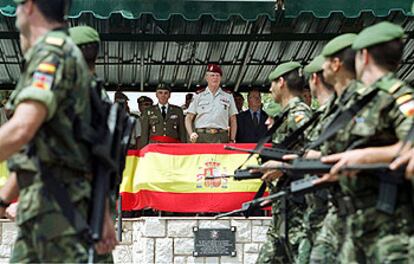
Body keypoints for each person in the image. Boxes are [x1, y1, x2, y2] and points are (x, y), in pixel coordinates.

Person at [0, 0, 116, 262]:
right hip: (49, 206)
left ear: (28, 6)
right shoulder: (65, 56)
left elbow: (22, 128)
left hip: (55, 210)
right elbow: (46, 146)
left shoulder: (52, 54)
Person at [314, 22, 414, 263]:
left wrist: (366, 157)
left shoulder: (398, 96)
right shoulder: (362, 101)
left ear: (364, 56)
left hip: (390, 228)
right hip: (355, 222)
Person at [256, 61, 312, 264]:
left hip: (298, 212)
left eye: (271, 83)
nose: (270, 89)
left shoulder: (299, 115)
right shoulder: (288, 116)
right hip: (284, 209)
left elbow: (317, 155)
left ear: (281, 82)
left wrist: (283, 168)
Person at [185, 64, 238, 143]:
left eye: (217, 75)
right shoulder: (198, 95)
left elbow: (233, 119)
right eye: (212, 75)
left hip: (221, 136)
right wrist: (191, 133)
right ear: (207, 78)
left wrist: (232, 139)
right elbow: (188, 118)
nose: (215, 78)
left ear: (221, 78)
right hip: (201, 136)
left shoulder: (228, 96)